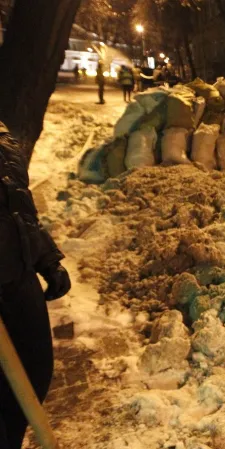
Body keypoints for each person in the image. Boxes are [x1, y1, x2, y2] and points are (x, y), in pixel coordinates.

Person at [0, 122, 71, 448]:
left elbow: (20, 209)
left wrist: (47, 260)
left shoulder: (3, 139)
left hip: (19, 278)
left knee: (35, 374)